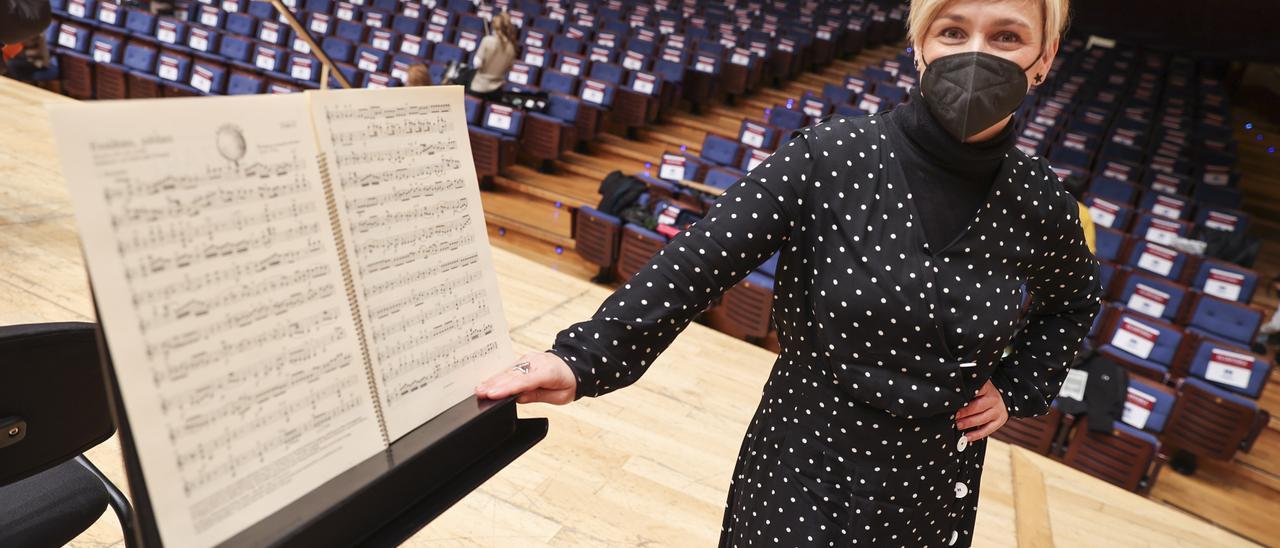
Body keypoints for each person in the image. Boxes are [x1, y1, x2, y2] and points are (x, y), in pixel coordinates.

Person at [477, 0, 1100, 545]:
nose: (974, 53)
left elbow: (1073, 302)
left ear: (1043, 58)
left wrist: (1018, 388)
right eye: (953, 31)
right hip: (804, 462)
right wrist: (584, 358)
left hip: (930, 483)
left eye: (1007, 37)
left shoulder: (1041, 202)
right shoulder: (830, 156)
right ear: (919, 45)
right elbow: (699, 260)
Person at [458, 10, 517, 101]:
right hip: (496, 92)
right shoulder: (512, 47)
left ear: (494, 26)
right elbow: (509, 68)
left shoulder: (488, 40)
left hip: (479, 88)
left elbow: (477, 64)